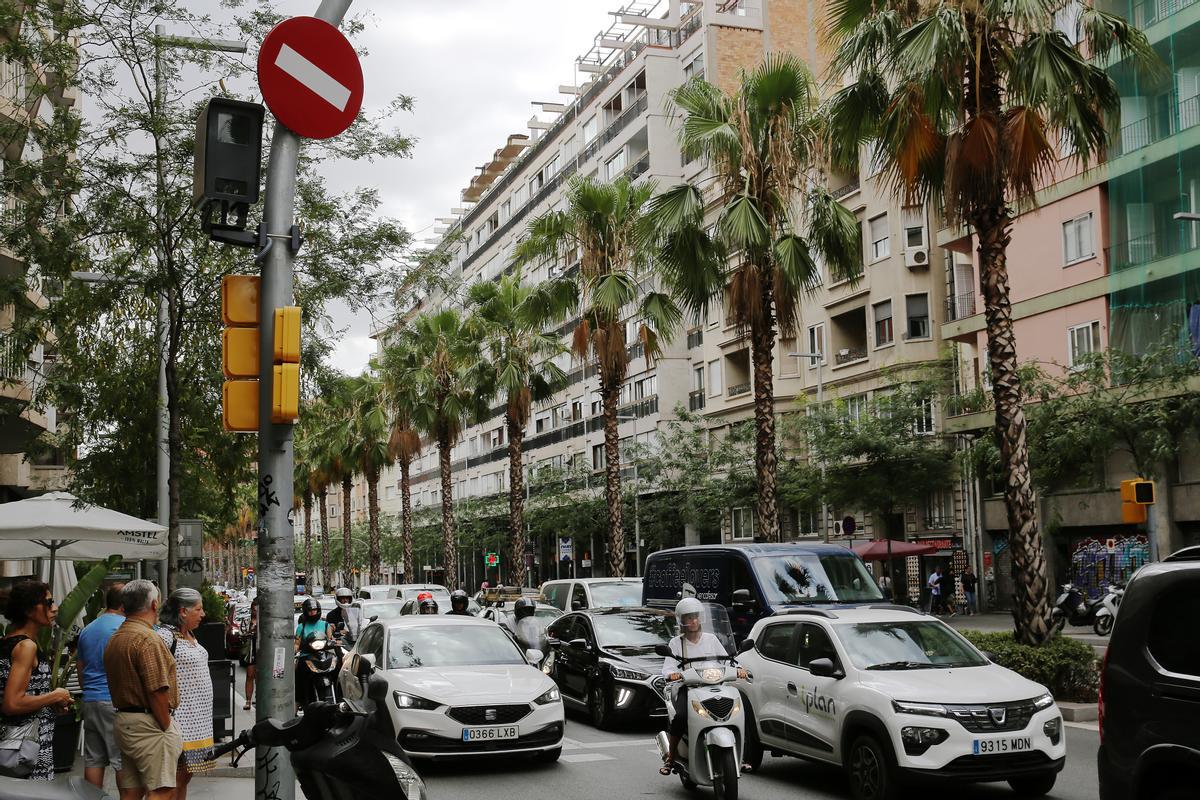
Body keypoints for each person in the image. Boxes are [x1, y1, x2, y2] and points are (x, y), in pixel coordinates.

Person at [104, 580, 182, 800]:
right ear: (155, 604)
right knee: (162, 790)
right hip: (149, 724)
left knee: (132, 791)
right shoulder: (147, 639)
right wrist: (166, 725)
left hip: (126, 721)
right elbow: (156, 690)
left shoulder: (118, 636)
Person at [659, 598, 746, 776]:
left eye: (696, 617)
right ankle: (671, 756)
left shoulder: (711, 638)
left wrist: (739, 669)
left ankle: (740, 757)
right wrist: (672, 674)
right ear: (681, 620)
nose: (693, 621)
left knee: (739, 709)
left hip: (714, 685)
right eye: (689, 618)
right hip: (689, 688)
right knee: (681, 717)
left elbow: (727, 660)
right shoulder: (676, 643)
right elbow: (668, 668)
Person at [0, 581, 73, 780]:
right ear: (29, 610)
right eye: (48, 603)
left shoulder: (9, 642)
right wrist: (55, 695)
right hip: (26, 749)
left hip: (21, 745)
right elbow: (12, 703)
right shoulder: (26, 647)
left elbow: (23, 695)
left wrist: (51, 703)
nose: (55, 608)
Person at [156, 589, 213, 800]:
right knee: (173, 779)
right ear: (183, 611)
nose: (203, 614)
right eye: (198, 609)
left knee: (185, 777)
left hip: (198, 720)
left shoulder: (188, 634)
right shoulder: (164, 636)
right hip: (180, 719)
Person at [76, 582, 127, 788]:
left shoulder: (88, 629)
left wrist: (88, 689)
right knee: (123, 762)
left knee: (94, 759)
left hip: (90, 699)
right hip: (113, 701)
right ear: (124, 604)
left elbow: (81, 666)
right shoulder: (124, 627)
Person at [295, 598, 331, 707]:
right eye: (310, 610)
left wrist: (335, 643)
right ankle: (300, 700)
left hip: (323, 656)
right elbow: (297, 642)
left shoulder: (325, 625)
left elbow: (330, 640)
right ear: (306, 611)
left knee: (338, 665)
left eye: (314, 610)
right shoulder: (302, 626)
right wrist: (295, 648)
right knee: (299, 674)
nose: (312, 612)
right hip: (307, 657)